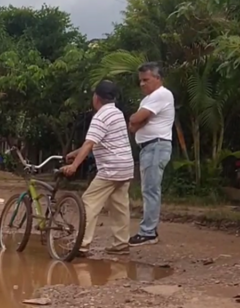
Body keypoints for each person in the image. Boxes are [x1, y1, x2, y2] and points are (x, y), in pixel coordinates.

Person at [61, 80, 133, 256]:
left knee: (88, 202)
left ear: (97, 97)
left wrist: (74, 165)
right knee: (119, 205)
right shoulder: (116, 113)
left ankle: (82, 244)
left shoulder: (100, 116)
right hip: (125, 167)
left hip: (111, 169)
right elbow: (98, 142)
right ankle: (121, 243)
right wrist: (75, 153)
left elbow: (90, 144)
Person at [127, 62, 175, 246]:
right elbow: (133, 125)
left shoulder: (162, 94)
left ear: (157, 78)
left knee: (151, 189)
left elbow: (135, 119)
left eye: (145, 80)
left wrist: (139, 119)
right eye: (140, 80)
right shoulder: (147, 100)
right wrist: (140, 120)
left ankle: (148, 232)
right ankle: (148, 230)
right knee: (148, 189)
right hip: (149, 147)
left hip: (156, 145)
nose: (142, 84)